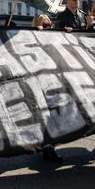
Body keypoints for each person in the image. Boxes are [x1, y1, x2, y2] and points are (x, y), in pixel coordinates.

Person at [30, 13, 63, 162]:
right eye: (44, 25)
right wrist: (36, 33)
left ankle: (48, 147)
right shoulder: (30, 38)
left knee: (52, 117)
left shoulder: (53, 38)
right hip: (38, 83)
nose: (47, 28)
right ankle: (47, 148)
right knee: (43, 117)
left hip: (52, 81)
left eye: (49, 25)